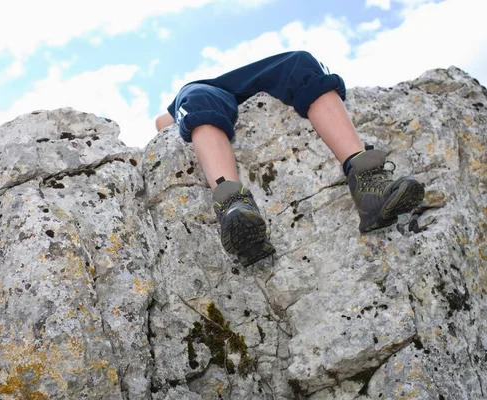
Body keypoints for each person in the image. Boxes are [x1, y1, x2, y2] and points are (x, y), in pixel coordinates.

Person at [155, 51, 425, 267]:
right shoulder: (194, 91)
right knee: (194, 95)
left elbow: (163, 121)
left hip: (253, 75)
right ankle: (233, 208)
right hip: (203, 90)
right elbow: (161, 124)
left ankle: (368, 184)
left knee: (301, 62)